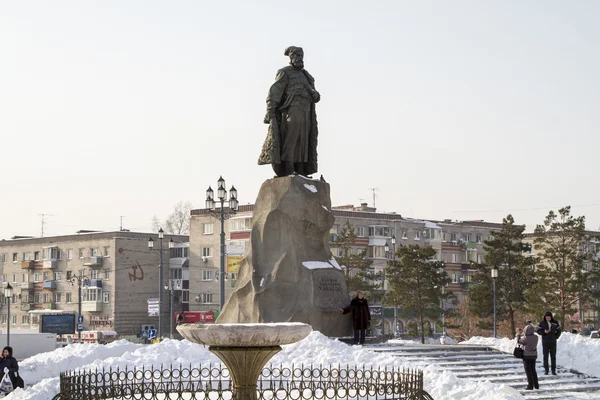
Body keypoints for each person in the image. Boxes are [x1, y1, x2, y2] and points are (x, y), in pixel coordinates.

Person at [258, 46, 320, 177]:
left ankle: (301, 168)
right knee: (291, 138)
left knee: (304, 141)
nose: (299, 58)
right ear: (291, 58)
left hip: (306, 111)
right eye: (296, 56)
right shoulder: (284, 72)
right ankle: (288, 166)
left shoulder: (306, 76)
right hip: (292, 110)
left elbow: (316, 97)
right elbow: (274, 92)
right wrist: (270, 111)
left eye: (301, 56)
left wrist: (314, 94)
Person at [536, 311, 561, 375]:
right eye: (546, 317)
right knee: (545, 356)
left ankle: (553, 370)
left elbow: (559, 330)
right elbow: (538, 330)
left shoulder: (555, 323)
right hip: (545, 342)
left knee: (553, 356)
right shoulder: (542, 323)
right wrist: (544, 332)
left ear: (551, 317)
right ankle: (546, 370)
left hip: (553, 342)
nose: (548, 318)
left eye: (549, 317)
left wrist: (556, 336)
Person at [517, 321, 539, 390]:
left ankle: (530, 385)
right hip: (534, 355)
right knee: (533, 370)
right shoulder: (536, 337)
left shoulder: (526, 338)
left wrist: (518, 334)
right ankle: (536, 384)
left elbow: (519, 341)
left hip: (526, 356)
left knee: (528, 371)